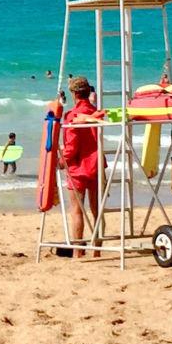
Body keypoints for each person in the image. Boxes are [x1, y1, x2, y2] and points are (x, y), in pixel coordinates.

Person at [61, 78, 106, 249]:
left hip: (78, 168)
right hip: (97, 165)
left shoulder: (73, 116)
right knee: (97, 211)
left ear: (74, 94)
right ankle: (98, 249)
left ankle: (78, 251)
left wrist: (61, 159)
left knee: (77, 210)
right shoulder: (95, 112)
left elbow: (72, 147)